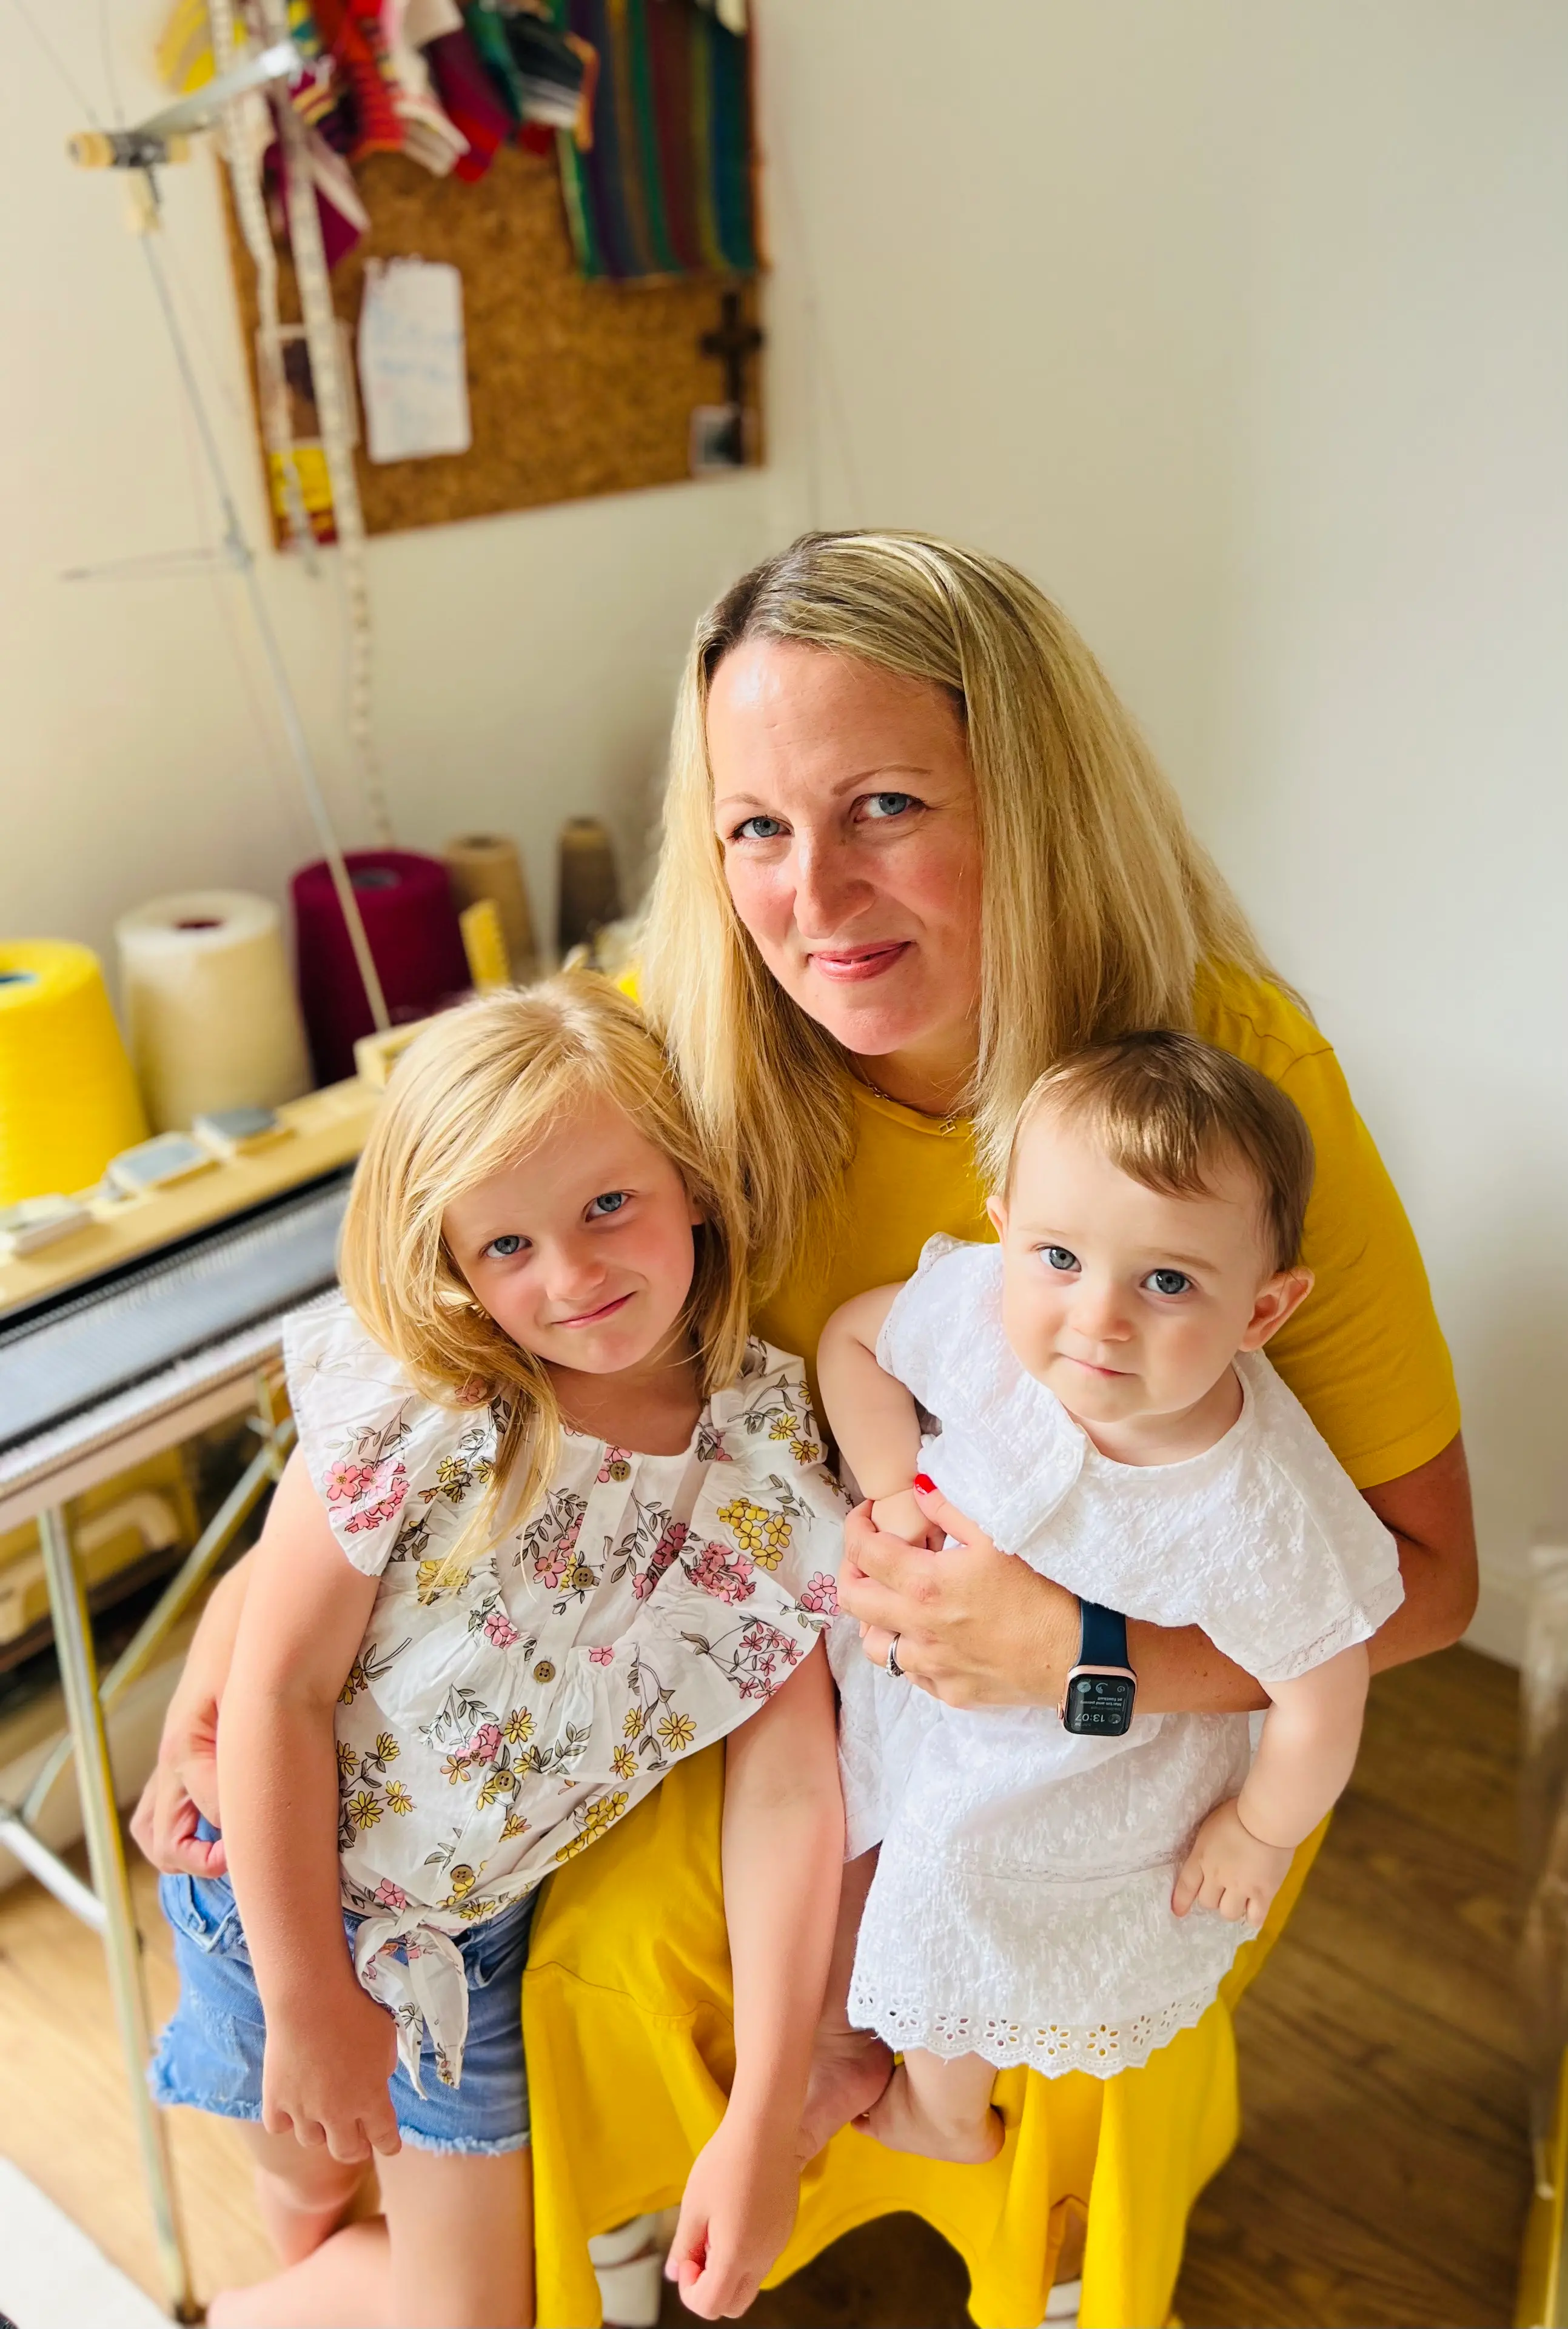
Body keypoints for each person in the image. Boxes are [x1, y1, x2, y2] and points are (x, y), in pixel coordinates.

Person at [138, 532, 1475, 2329]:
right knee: (588, 1963)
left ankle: (1006, 2228)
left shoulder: (1215, 1088)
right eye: (754, 827)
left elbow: (1432, 1584)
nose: (815, 897)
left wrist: (1086, 1660)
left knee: (978, 1935)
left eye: (886, 806)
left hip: (1161, 1712)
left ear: (1033, 798)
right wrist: (241, 1637)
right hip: (784, 1675)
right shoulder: (686, 1052)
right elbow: (436, 1369)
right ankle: (604, 2231)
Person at [146, 979, 845, 2328]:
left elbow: (793, 1790)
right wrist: (302, 1995)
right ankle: (280, 2277)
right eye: (507, 1245)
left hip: (464, 1966)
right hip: (268, 1907)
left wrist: (766, 2111)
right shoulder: (424, 1403)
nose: (572, 1278)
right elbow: (284, 1682)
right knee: (301, 2188)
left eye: (608, 1207)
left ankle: (257, 2310)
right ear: (456, 1266)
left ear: (690, 1182)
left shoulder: (768, 1455)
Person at [816, 1031, 1401, 2165]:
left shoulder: (1250, 1501)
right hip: (911, 1659)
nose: (1097, 1319)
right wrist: (893, 1490)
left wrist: (1258, 1832)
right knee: (838, 1801)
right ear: (1004, 1234)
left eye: (1168, 1281)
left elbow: (1324, 1696)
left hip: (1084, 1760)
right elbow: (853, 1342)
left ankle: (941, 2112)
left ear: (1261, 1313)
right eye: (1058, 1260)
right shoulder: (982, 1314)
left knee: (953, 1857)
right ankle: (831, 2025)